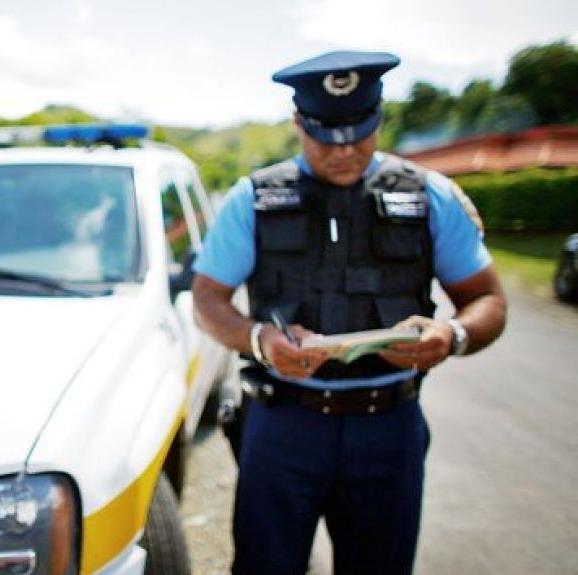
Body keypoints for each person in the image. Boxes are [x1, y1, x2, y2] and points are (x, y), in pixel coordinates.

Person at [192, 51, 507, 574]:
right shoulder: (253, 199)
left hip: (389, 428)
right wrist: (257, 340)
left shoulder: (430, 197)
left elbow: (489, 300)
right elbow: (207, 300)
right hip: (282, 426)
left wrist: (451, 335)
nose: (344, 150)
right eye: (325, 134)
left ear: (380, 117)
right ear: (298, 123)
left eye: (359, 131)